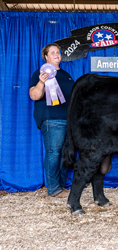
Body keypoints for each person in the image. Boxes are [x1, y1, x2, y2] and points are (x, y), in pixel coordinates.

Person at [29, 44, 75, 198]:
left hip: (68, 120)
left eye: (58, 52)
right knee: (54, 153)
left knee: (65, 154)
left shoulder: (67, 75)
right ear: (46, 57)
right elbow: (34, 96)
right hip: (51, 119)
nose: (57, 54)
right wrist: (41, 82)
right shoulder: (40, 74)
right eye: (53, 52)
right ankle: (54, 189)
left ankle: (61, 186)